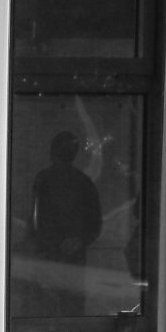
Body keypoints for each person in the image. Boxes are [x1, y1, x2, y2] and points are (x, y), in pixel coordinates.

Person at [29, 130, 103, 316]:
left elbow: (35, 220)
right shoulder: (81, 182)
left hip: (60, 256)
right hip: (58, 256)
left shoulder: (47, 180)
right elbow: (36, 219)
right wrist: (78, 241)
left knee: (60, 306)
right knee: (60, 305)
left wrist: (77, 241)